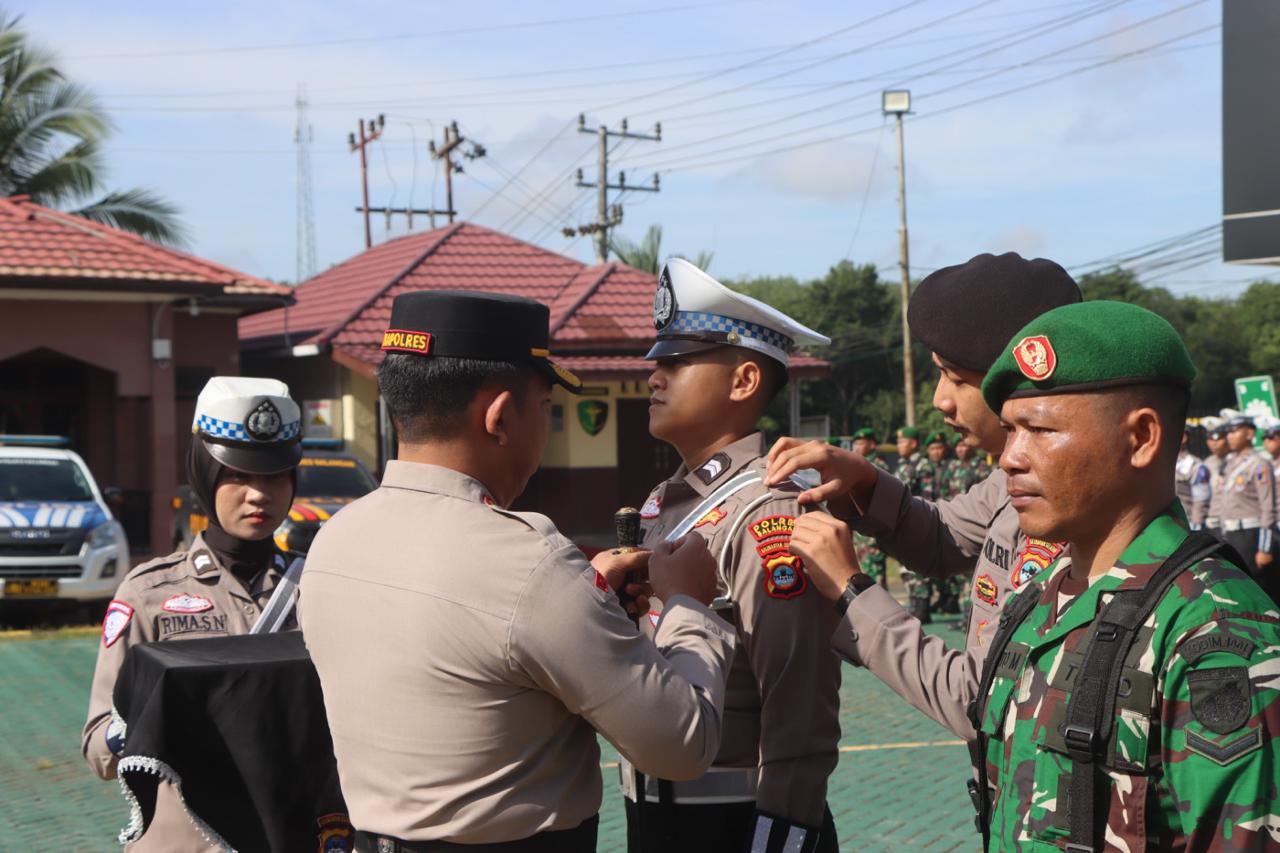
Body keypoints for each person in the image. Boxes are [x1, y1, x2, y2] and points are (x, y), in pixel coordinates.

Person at [799, 300, 1280, 849]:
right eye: (1009, 431)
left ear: (1141, 438)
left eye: (1041, 430)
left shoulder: (1217, 636)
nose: (1010, 458)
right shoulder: (1038, 597)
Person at [299, 291, 736, 853]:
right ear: (500, 417)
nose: (546, 428)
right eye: (546, 407)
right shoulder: (530, 564)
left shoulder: (334, 540)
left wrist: (581, 598)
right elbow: (681, 745)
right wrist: (688, 606)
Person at [766, 251, 1081, 739]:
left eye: (956, 378)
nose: (940, 400)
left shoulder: (1066, 507)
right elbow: (943, 537)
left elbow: (980, 700)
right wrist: (865, 483)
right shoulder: (1011, 478)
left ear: (1019, 382)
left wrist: (851, 591)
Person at [627, 258, 839, 853]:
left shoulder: (770, 509)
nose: (654, 377)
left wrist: (783, 835)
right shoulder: (667, 499)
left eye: (676, 363)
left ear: (744, 381)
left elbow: (798, 701)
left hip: (737, 822)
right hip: (655, 812)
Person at [82, 377, 305, 852]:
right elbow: (99, 749)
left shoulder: (318, 588)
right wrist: (156, 714)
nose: (258, 494)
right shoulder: (148, 593)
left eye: (274, 476)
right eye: (238, 475)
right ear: (204, 473)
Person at [1217, 413, 1276, 589]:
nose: (1229, 436)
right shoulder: (1229, 463)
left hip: (1250, 535)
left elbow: (1268, 507)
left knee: (1255, 586)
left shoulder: (1259, 464)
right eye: (1228, 432)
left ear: (1249, 434)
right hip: (1230, 533)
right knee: (1235, 586)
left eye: (1234, 431)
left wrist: (1264, 548)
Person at [850, 427, 889, 589]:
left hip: (873, 526)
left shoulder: (878, 465)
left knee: (875, 574)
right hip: (860, 529)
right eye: (856, 444)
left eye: (861, 443)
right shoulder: (858, 464)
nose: (857, 447)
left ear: (872, 445)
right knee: (863, 572)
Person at [1175, 422, 1211, 530]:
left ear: (1183, 437)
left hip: (1185, 525)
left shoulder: (1195, 466)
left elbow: (1200, 501)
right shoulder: (1163, 463)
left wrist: (1195, 526)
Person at [1204, 419, 1231, 534]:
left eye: (1218, 438)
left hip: (1232, 520)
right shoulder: (1207, 463)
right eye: (1210, 439)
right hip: (1211, 519)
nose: (1214, 443)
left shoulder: (1236, 461)